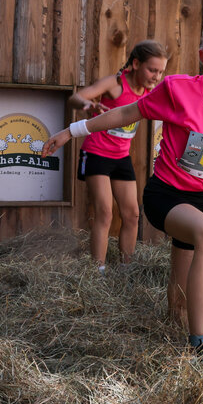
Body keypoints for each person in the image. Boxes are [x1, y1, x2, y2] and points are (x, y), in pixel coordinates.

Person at [42, 17, 203, 353]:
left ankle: (174, 327)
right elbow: (126, 113)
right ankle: (200, 349)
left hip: (202, 199)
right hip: (165, 196)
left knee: (180, 294)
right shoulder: (179, 90)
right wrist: (71, 131)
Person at [69, 40, 168, 272]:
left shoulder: (149, 92)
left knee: (132, 214)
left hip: (121, 157)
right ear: (135, 63)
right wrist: (87, 105)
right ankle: (98, 271)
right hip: (96, 153)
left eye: (161, 72)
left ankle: (126, 269)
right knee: (104, 212)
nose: (156, 76)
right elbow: (75, 97)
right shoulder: (115, 84)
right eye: (152, 70)